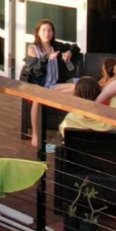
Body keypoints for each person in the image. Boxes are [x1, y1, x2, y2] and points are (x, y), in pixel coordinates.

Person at [20, 19, 81, 149]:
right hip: (40, 86)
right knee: (38, 99)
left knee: (79, 88)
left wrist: (69, 52)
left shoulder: (56, 46)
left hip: (53, 85)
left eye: (50, 30)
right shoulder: (33, 49)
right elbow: (34, 70)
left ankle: (67, 132)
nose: (47, 33)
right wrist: (47, 58)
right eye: (44, 30)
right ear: (38, 32)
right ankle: (36, 135)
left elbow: (76, 46)